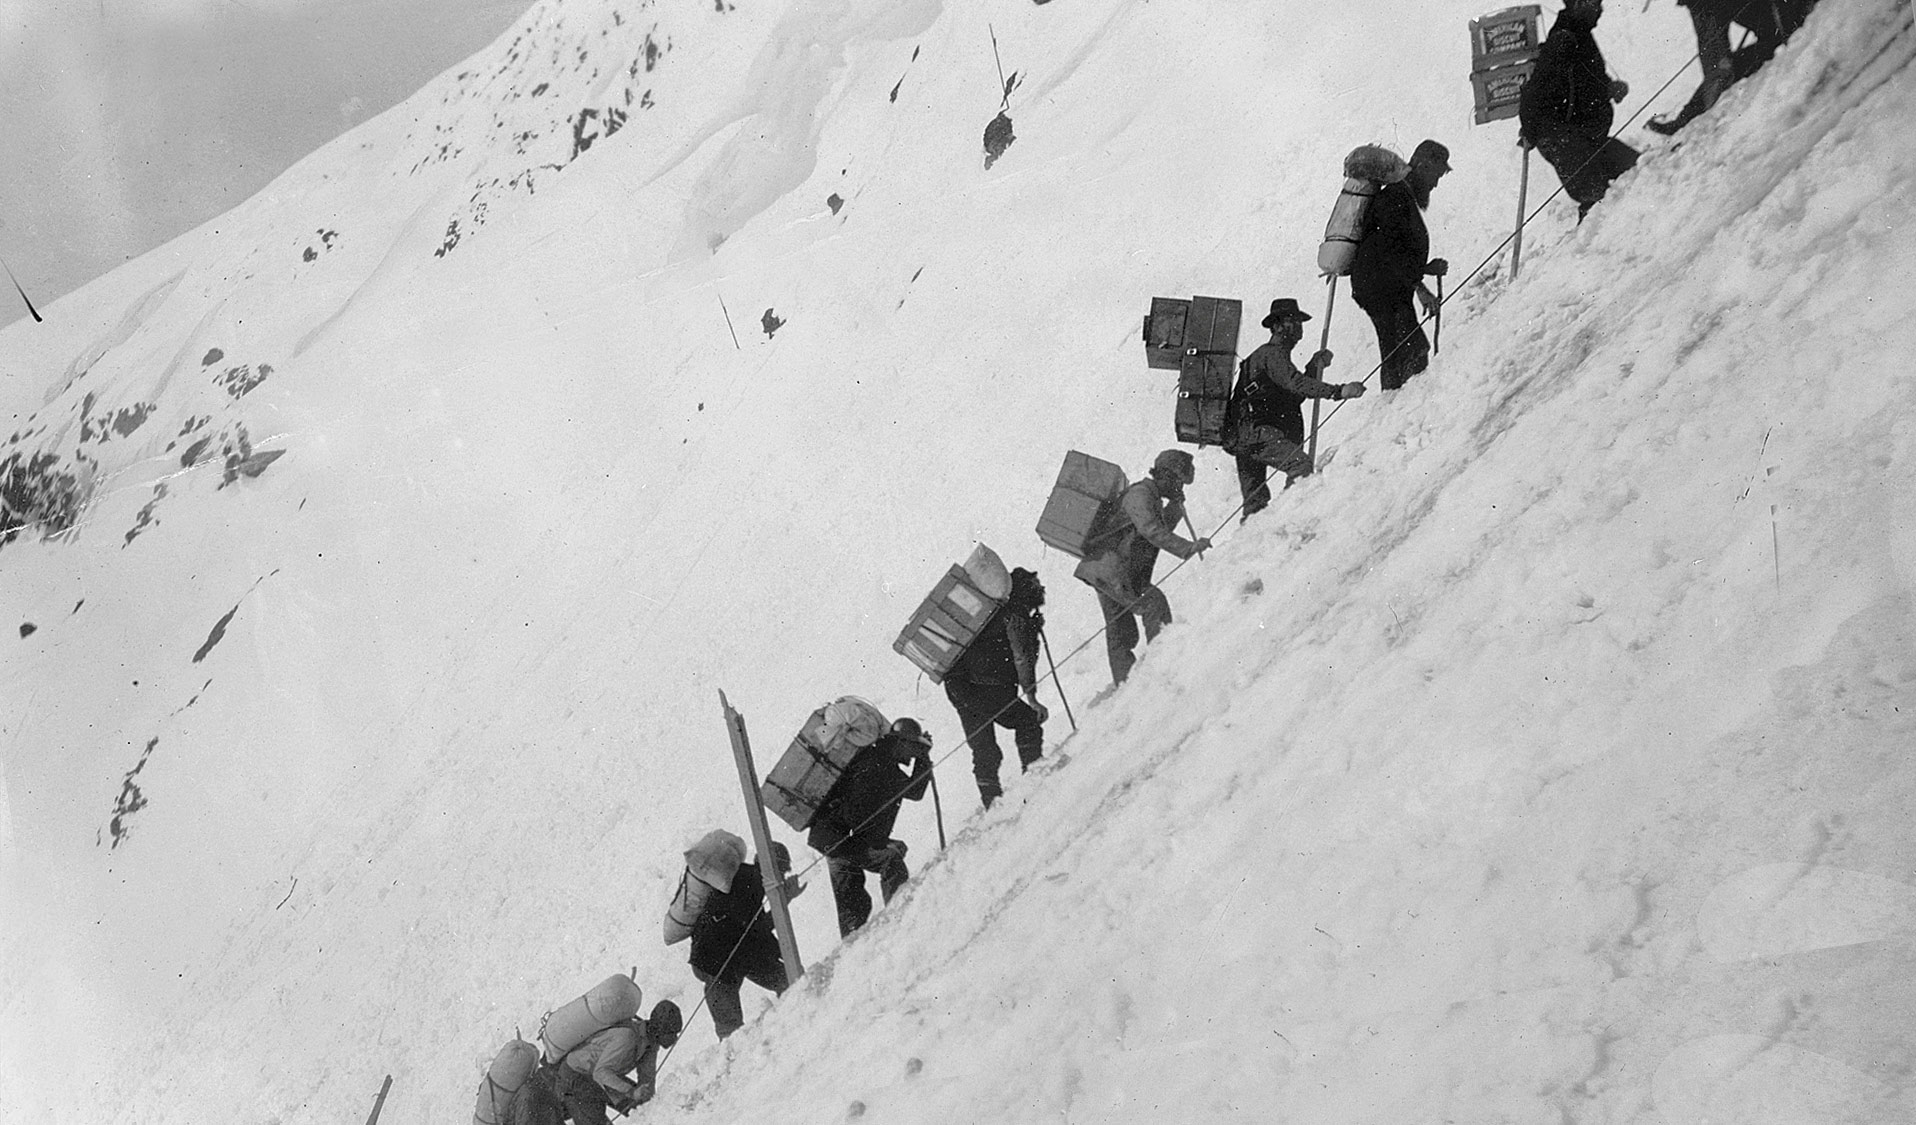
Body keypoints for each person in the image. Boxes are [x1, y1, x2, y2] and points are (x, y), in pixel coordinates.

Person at [1224, 298, 1367, 517]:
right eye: (1293, 322)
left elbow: (1291, 398)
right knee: (1300, 465)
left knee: (1254, 505)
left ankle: (1256, 545)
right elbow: (1296, 383)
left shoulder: (1270, 355)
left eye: (1300, 323)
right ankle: (1287, 518)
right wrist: (1338, 391)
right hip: (1256, 434)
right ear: (1277, 326)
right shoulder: (1272, 354)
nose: (1299, 328)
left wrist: (1313, 367)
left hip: (1245, 435)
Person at [1078, 450, 1210, 686]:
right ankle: (1162, 667)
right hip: (1112, 570)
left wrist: (1175, 509)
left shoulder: (1149, 497)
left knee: (1120, 627)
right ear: (1166, 477)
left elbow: (1154, 528)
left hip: (1104, 569)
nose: (1180, 487)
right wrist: (1188, 548)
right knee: (1153, 604)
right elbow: (1151, 531)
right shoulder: (1140, 495)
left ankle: (1126, 684)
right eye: (1179, 481)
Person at [807, 718, 934, 936]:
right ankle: (901, 920)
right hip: (840, 840)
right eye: (912, 747)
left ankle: (854, 947)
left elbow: (913, 791)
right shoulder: (880, 767)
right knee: (890, 861)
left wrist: (923, 758)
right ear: (899, 743)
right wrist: (882, 843)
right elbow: (860, 816)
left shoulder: (877, 760)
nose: (912, 754)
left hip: (830, 838)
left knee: (852, 904)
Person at [1519, 0, 1638, 219]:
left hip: (1584, 139)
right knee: (1600, 201)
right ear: (1578, 4)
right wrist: (1530, 131)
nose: (1600, 9)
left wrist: (1608, 88)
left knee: (1639, 168)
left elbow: (1582, 83)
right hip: (1565, 142)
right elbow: (1532, 92)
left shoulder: (1579, 35)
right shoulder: (1564, 40)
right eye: (1595, 3)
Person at [942, 567, 1049, 808]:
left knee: (984, 749)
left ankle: (991, 803)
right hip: (988, 687)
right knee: (1028, 720)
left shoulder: (988, 613)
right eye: (1035, 585)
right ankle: (1034, 778)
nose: (1041, 589)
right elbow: (1022, 657)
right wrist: (1031, 697)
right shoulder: (1014, 617)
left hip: (957, 685)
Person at [674, 839, 802, 1039]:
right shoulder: (748, 884)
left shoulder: (747, 879)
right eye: (783, 871)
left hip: (730, 957)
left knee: (785, 980)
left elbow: (754, 932)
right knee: (731, 1033)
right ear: (773, 868)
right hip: (716, 965)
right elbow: (755, 930)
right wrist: (784, 900)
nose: (784, 877)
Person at [1350, 139, 1450, 391]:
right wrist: (1420, 287)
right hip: (1381, 290)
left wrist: (1425, 268)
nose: (1436, 184)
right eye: (1435, 175)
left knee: (1398, 351)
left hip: (1382, 287)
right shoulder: (1395, 196)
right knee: (1412, 350)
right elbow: (1386, 250)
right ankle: (1400, 407)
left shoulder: (1401, 196)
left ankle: (1395, 405)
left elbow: (1394, 251)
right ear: (1421, 165)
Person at [1648, 0, 1819, 134]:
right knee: (1721, 69)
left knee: (1769, 39)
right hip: (1709, 8)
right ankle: (1695, 121)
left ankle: (1689, 118)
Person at [510, 1002, 682, 1125]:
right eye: (671, 1033)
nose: (674, 1039)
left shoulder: (651, 1045)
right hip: (576, 1079)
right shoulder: (627, 1038)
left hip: (597, 1078)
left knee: (638, 1105)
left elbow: (647, 1080)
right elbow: (601, 1073)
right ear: (659, 1029)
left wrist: (645, 1097)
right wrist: (631, 1092)